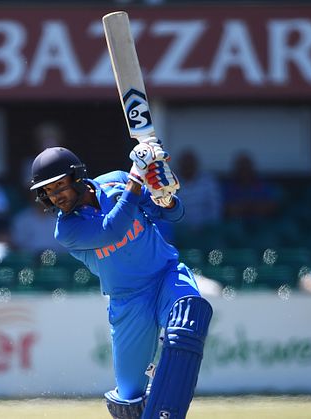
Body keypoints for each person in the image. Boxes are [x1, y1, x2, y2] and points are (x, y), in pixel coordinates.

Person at [29, 144, 212, 419]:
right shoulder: (66, 229)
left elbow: (174, 214)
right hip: (128, 301)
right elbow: (112, 230)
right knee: (128, 402)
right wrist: (138, 176)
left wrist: (167, 198)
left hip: (166, 275)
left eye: (59, 186)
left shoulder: (117, 180)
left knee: (187, 320)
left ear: (76, 176)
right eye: (49, 191)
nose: (55, 196)